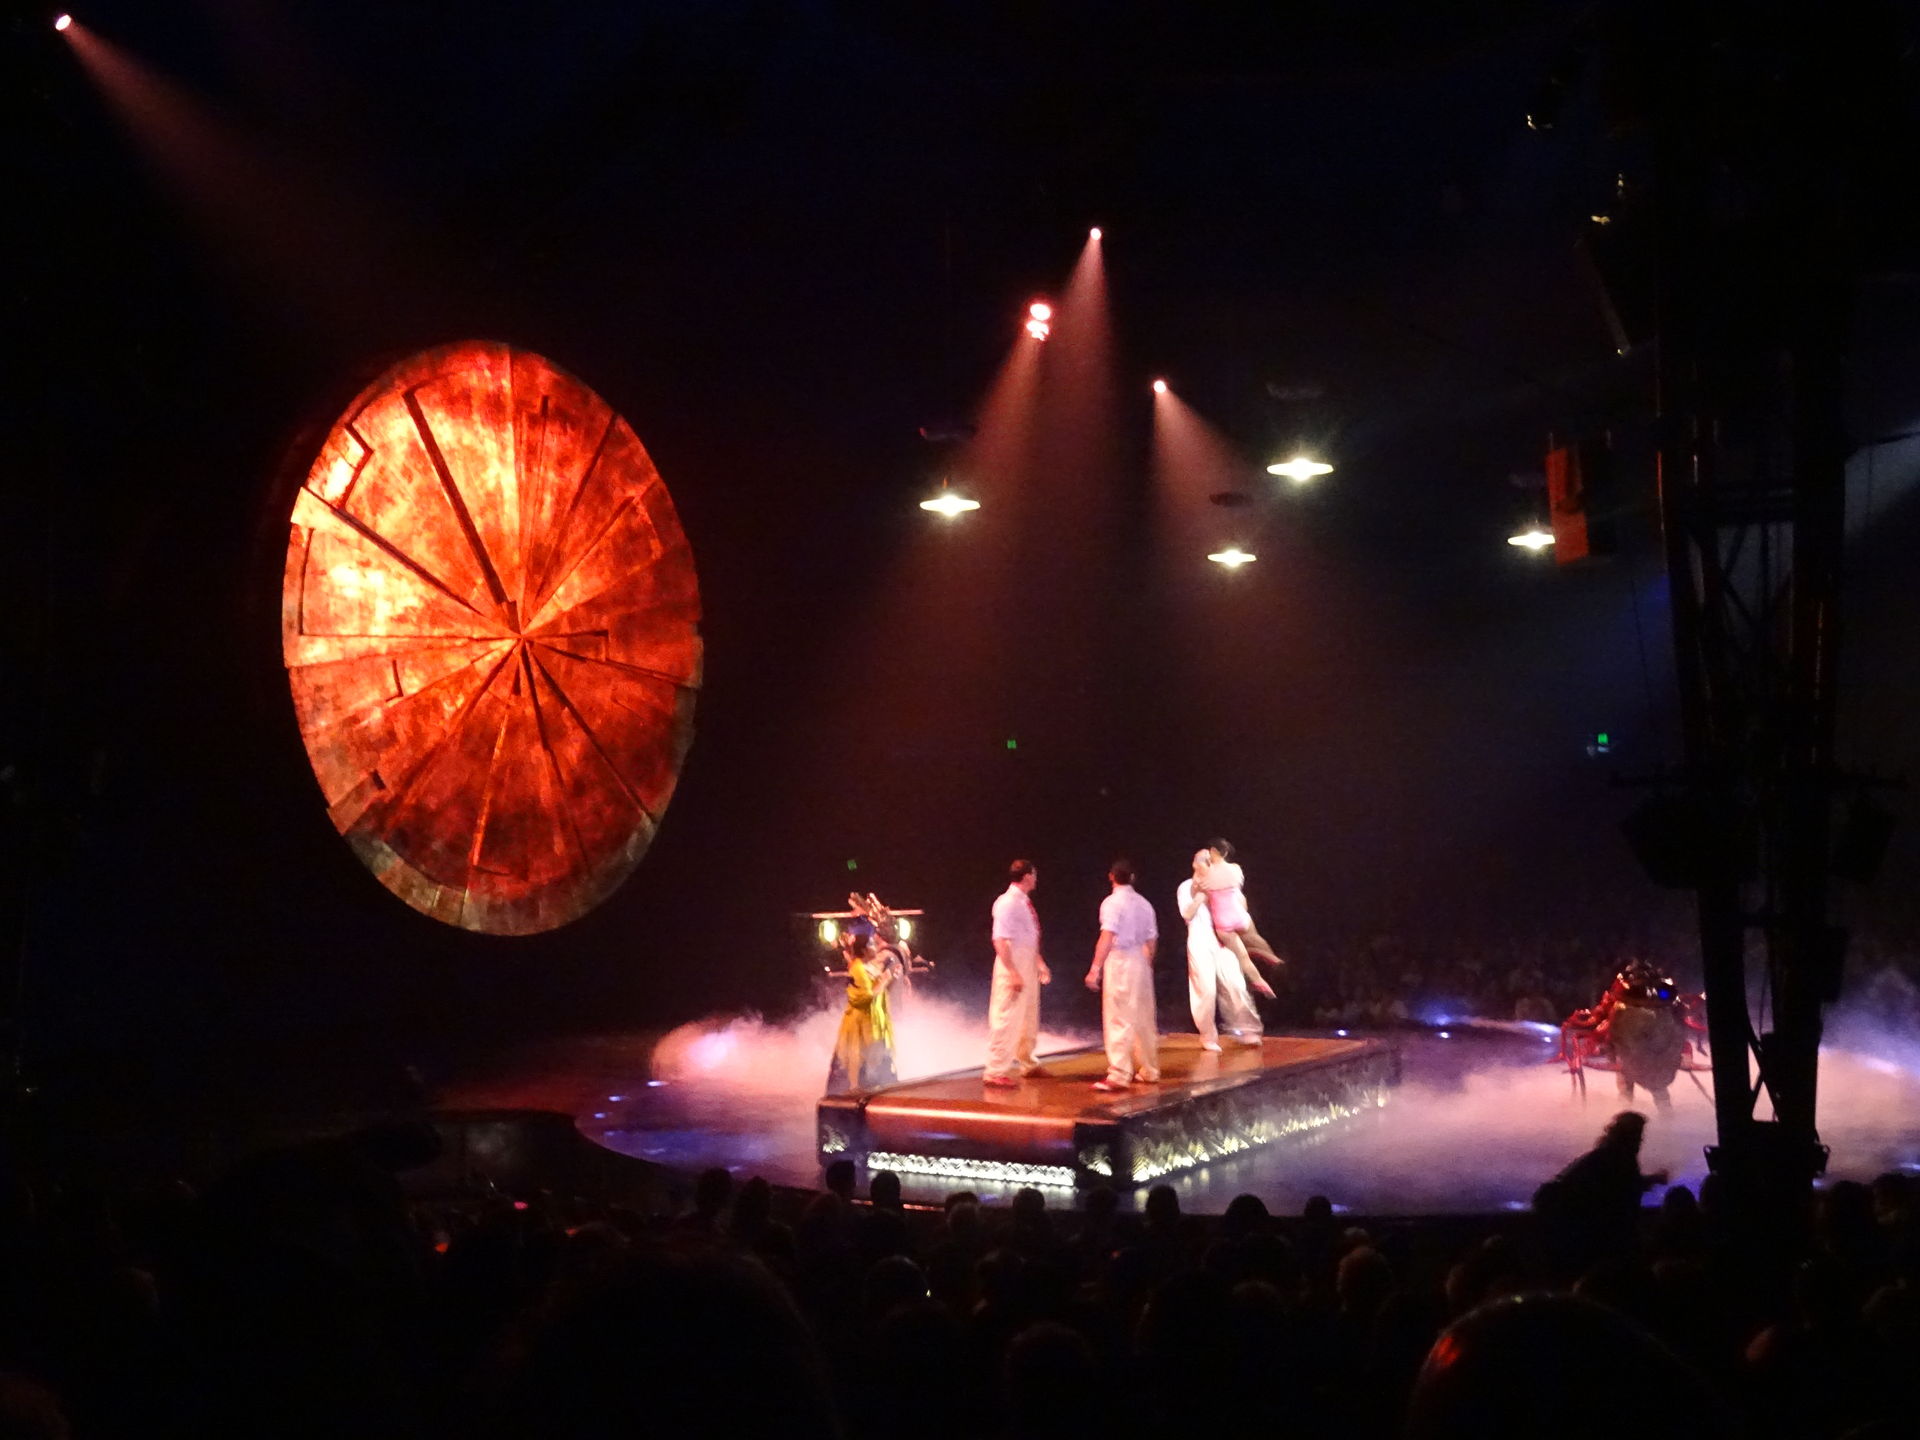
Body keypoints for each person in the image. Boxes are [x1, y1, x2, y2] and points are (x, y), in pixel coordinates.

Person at [1179, 848, 1268, 1052]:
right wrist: (1200, 896)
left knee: (1236, 984)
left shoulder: (1222, 883)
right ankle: (1208, 1036)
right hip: (1200, 941)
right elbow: (1186, 914)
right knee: (1206, 991)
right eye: (1206, 861)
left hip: (1223, 938)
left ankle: (1249, 1030)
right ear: (1195, 864)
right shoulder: (1185, 886)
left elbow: (1241, 906)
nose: (1210, 865)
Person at [1084, 859, 1160, 1091]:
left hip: (1120, 959)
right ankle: (1149, 1069)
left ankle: (1118, 1073)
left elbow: (1107, 935)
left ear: (1111, 877)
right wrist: (1146, 965)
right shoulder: (1145, 904)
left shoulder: (1111, 903)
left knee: (1118, 1016)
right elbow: (1151, 940)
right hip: (1140, 959)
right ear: (1133, 878)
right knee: (1143, 1017)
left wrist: (1095, 968)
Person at [985, 859, 1050, 1087]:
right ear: (1027, 876)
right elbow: (999, 939)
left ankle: (1028, 1062)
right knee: (1007, 1016)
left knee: (1028, 1017)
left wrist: (1039, 963)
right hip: (1012, 962)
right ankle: (995, 1070)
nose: (1036, 879)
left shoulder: (1023, 902)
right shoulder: (1007, 903)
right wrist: (1012, 972)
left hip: (1026, 961)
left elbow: (1028, 938)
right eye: (1034, 874)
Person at [1192, 840, 1284, 985]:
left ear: (1213, 852)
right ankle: (1275, 966)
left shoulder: (1208, 875)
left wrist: (1198, 868)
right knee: (1252, 943)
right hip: (1237, 912)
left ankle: (1267, 974)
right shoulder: (1235, 869)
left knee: (1243, 952)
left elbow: (1199, 891)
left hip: (1226, 918)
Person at [825, 932, 897, 1093]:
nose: (875, 948)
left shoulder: (871, 967)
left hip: (875, 1026)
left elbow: (880, 992)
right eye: (871, 945)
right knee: (859, 1067)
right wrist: (884, 981)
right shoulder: (858, 969)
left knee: (881, 1067)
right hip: (860, 1029)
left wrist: (889, 979)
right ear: (864, 950)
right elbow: (864, 998)